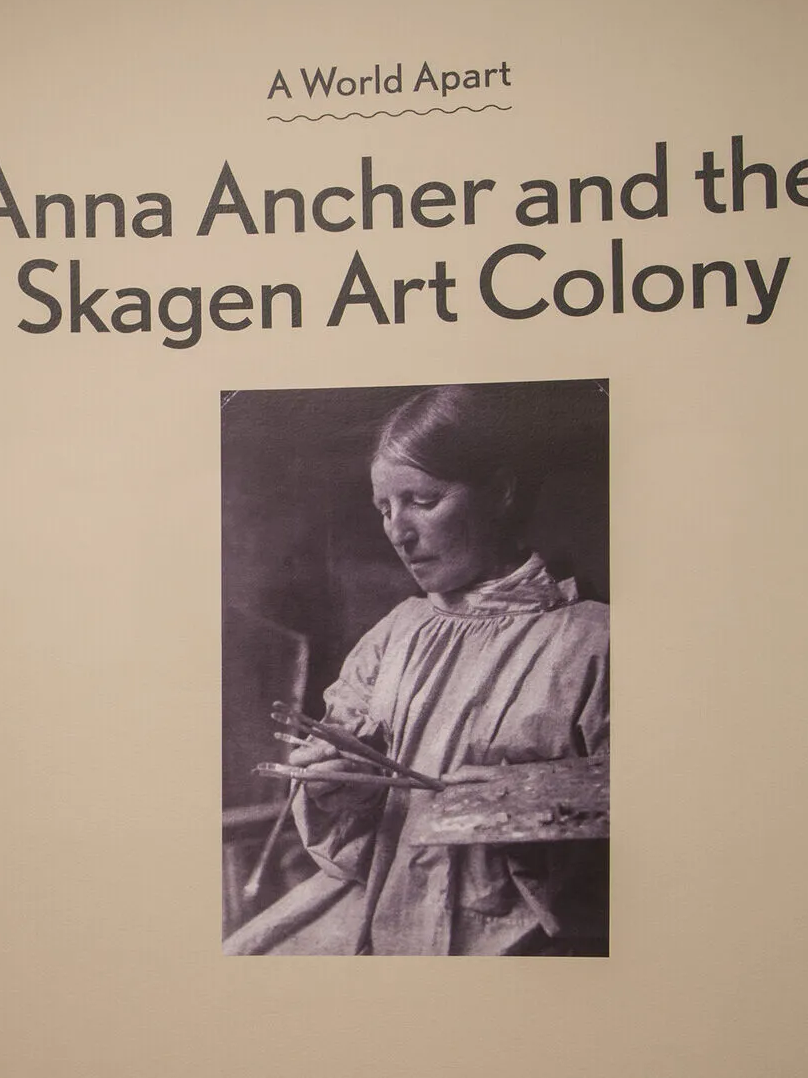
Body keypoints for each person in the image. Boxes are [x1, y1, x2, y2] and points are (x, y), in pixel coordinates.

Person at [225, 384, 609, 956]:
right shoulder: (393, 635)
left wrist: (534, 796)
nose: (398, 533)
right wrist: (336, 788)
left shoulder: (595, 640)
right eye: (384, 508)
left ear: (499, 492)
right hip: (386, 922)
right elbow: (352, 843)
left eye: (423, 501)